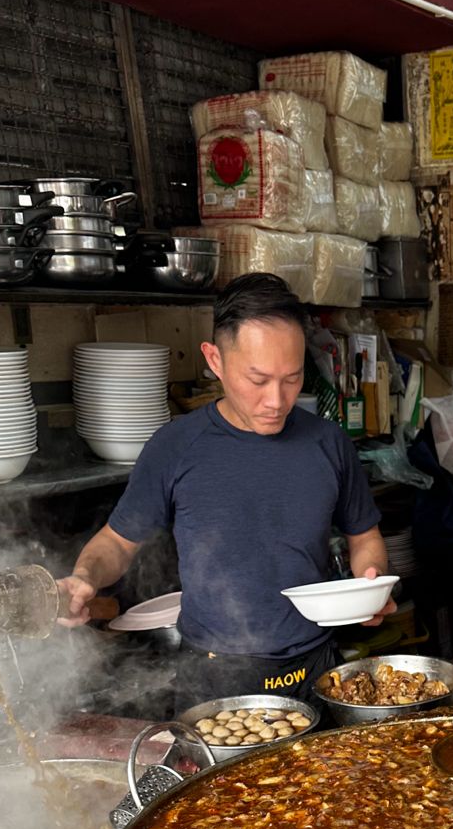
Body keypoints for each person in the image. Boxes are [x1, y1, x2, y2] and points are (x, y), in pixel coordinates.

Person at [59, 273, 393, 710]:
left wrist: (370, 586)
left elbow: (364, 538)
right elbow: (117, 543)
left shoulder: (328, 443)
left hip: (316, 669)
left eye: (291, 379)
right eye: (257, 380)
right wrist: (85, 577)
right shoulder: (175, 447)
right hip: (214, 677)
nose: (276, 399)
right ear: (215, 360)